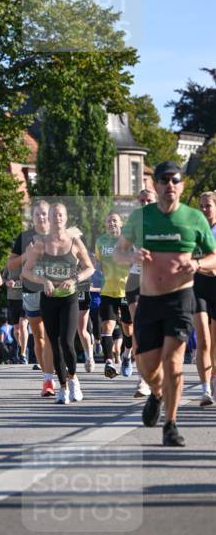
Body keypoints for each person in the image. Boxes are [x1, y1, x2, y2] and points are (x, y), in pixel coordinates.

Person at [114, 161, 216, 446]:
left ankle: (170, 424)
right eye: (164, 179)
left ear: (181, 185)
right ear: (155, 185)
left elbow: (214, 256)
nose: (169, 184)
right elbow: (119, 253)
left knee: (173, 361)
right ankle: (157, 394)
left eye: (175, 180)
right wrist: (132, 257)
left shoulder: (194, 219)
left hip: (180, 299)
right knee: (146, 365)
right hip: (149, 299)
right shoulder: (141, 217)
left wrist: (197, 263)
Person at [22, 202, 94, 404]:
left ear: (65, 218)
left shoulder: (75, 241)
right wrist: (44, 280)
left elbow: (90, 268)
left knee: (67, 342)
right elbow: (26, 271)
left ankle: (73, 380)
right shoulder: (40, 243)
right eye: (53, 215)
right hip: (49, 299)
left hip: (69, 298)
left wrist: (74, 280)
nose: (57, 219)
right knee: (54, 344)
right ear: (50, 219)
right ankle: (61, 388)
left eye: (60, 215)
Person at [8, 201, 55, 396]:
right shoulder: (24, 237)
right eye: (37, 215)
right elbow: (11, 264)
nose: (41, 217)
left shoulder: (59, 235)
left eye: (44, 214)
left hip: (55, 291)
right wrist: (25, 255)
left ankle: (62, 375)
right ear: (33, 217)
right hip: (31, 291)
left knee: (55, 337)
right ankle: (47, 380)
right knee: (40, 337)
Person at [125, 188, 157, 397]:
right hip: (136, 278)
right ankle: (142, 378)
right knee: (138, 327)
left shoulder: (164, 220)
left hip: (157, 279)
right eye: (142, 201)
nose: (145, 204)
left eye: (149, 201)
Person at [95, 213, 134, 379]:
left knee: (127, 328)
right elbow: (99, 263)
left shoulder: (128, 240)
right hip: (108, 291)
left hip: (126, 290)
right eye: (108, 221)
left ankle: (126, 356)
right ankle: (109, 362)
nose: (111, 224)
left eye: (114, 221)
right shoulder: (100, 242)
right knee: (107, 327)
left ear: (121, 223)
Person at [193, 191, 216, 406]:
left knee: (215, 343)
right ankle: (205, 389)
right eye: (201, 205)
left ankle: (214, 379)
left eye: (208, 205)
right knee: (203, 340)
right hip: (198, 288)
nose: (204, 209)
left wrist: (201, 265)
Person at [3, 264, 29, 364]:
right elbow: (2, 278)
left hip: (26, 298)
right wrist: (7, 282)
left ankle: (22, 354)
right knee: (17, 330)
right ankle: (22, 347)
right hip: (12, 299)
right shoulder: (9, 263)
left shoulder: (30, 261)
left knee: (23, 325)